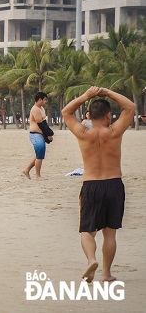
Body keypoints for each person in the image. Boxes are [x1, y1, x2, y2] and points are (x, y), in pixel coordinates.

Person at [62, 87, 135, 283]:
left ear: (89, 116)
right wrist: (107, 92)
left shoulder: (83, 133)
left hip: (91, 185)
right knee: (110, 233)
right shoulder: (114, 131)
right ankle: (106, 274)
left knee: (87, 231)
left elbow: (66, 112)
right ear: (109, 116)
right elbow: (130, 107)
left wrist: (86, 95)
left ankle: (91, 260)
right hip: (113, 184)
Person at [23, 92, 54, 180]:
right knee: (40, 155)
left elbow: (44, 123)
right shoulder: (35, 109)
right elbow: (40, 124)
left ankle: (27, 170)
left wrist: (49, 134)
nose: (45, 101)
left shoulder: (42, 108)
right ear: (40, 99)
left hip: (40, 134)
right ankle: (37, 176)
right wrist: (48, 134)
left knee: (39, 154)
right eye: (44, 99)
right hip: (35, 134)